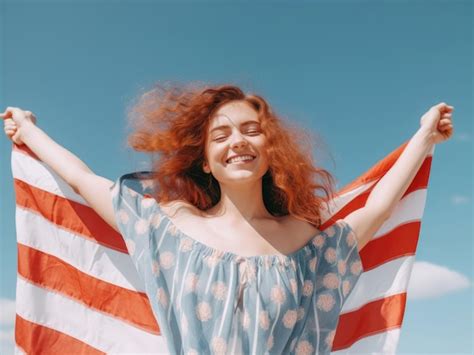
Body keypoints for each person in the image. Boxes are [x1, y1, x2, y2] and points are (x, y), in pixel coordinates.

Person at [2, 83, 454, 354]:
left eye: (251, 130)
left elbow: (377, 210)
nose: (237, 141)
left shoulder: (304, 243)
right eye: (221, 135)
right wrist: (28, 131)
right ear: (205, 161)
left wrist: (424, 137)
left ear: (270, 150)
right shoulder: (169, 228)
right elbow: (83, 180)